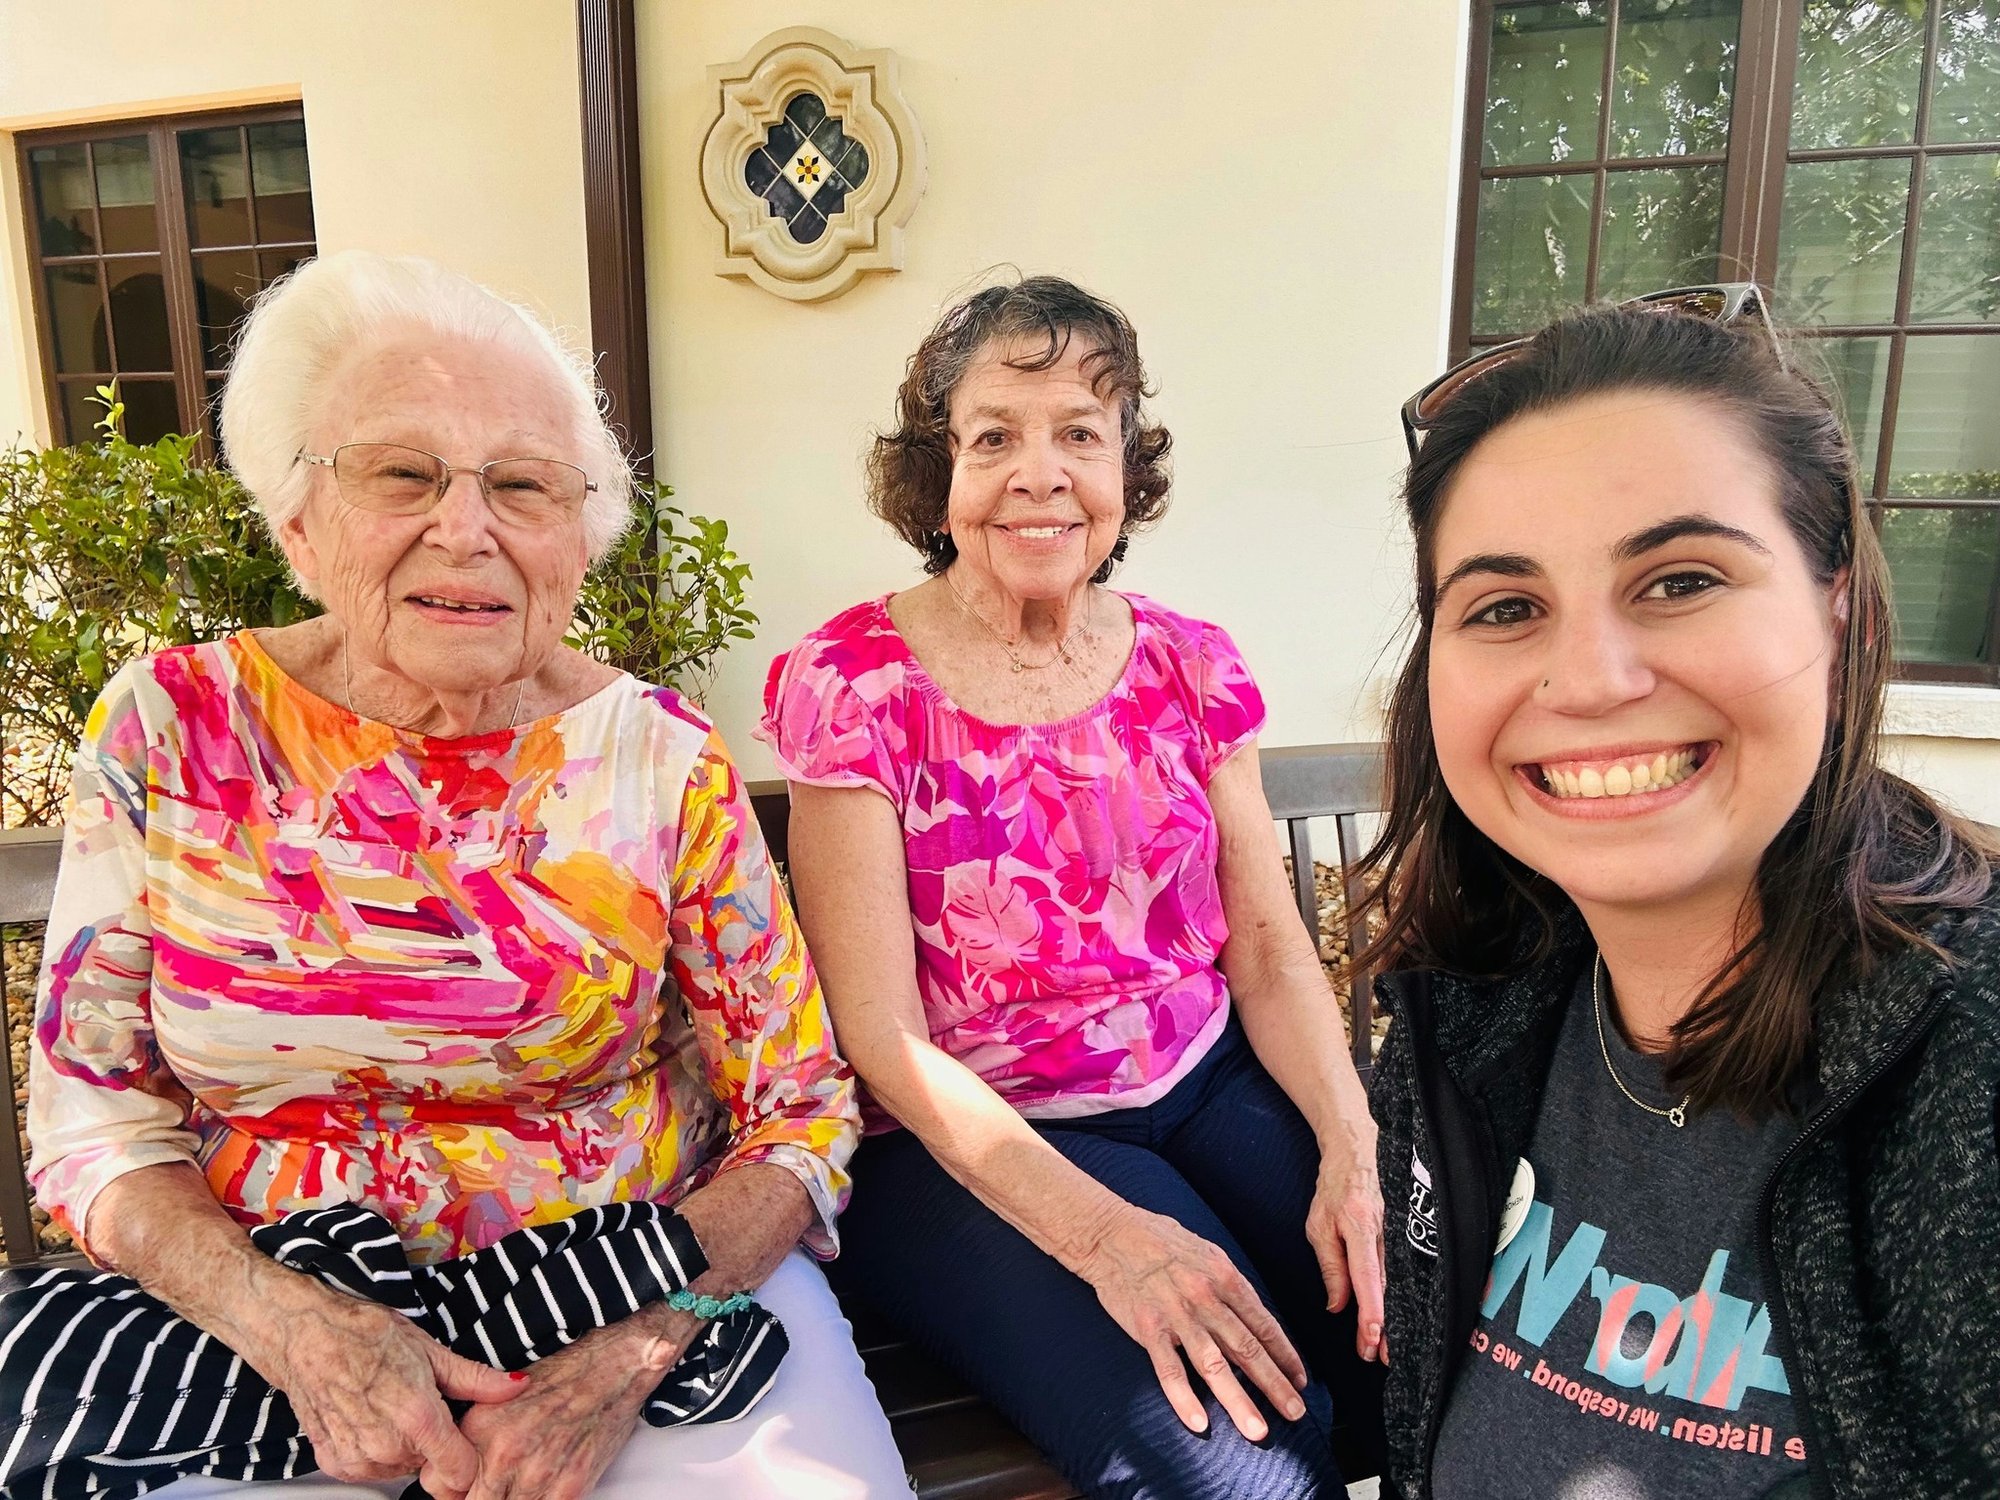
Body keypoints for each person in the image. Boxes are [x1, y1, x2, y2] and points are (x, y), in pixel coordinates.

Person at [22, 251, 909, 1500]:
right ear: (297, 523)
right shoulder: (169, 729)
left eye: (522, 485)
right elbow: (95, 1123)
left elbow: (801, 1107)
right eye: (403, 474)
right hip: (264, 1323)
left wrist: (638, 1343)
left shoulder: (658, 757)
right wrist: (292, 1330)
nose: (465, 528)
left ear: (578, 542)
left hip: (640, 1294)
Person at [1363, 286, 2000, 1499]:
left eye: (1679, 580)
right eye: (1505, 607)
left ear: (1839, 612)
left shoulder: (1967, 1068)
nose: (1587, 681)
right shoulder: (1467, 1020)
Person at [758, 275, 1387, 1500]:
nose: (1038, 475)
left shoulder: (1190, 665)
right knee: (1242, 1469)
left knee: (1423, 1336)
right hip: (970, 1138)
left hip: (1203, 1077)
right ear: (938, 474)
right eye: (993, 436)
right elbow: (881, 1036)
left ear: (1125, 473)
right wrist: (1107, 1239)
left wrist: (1352, 1144)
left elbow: (1266, 952)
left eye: (1079, 435)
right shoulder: (854, 682)